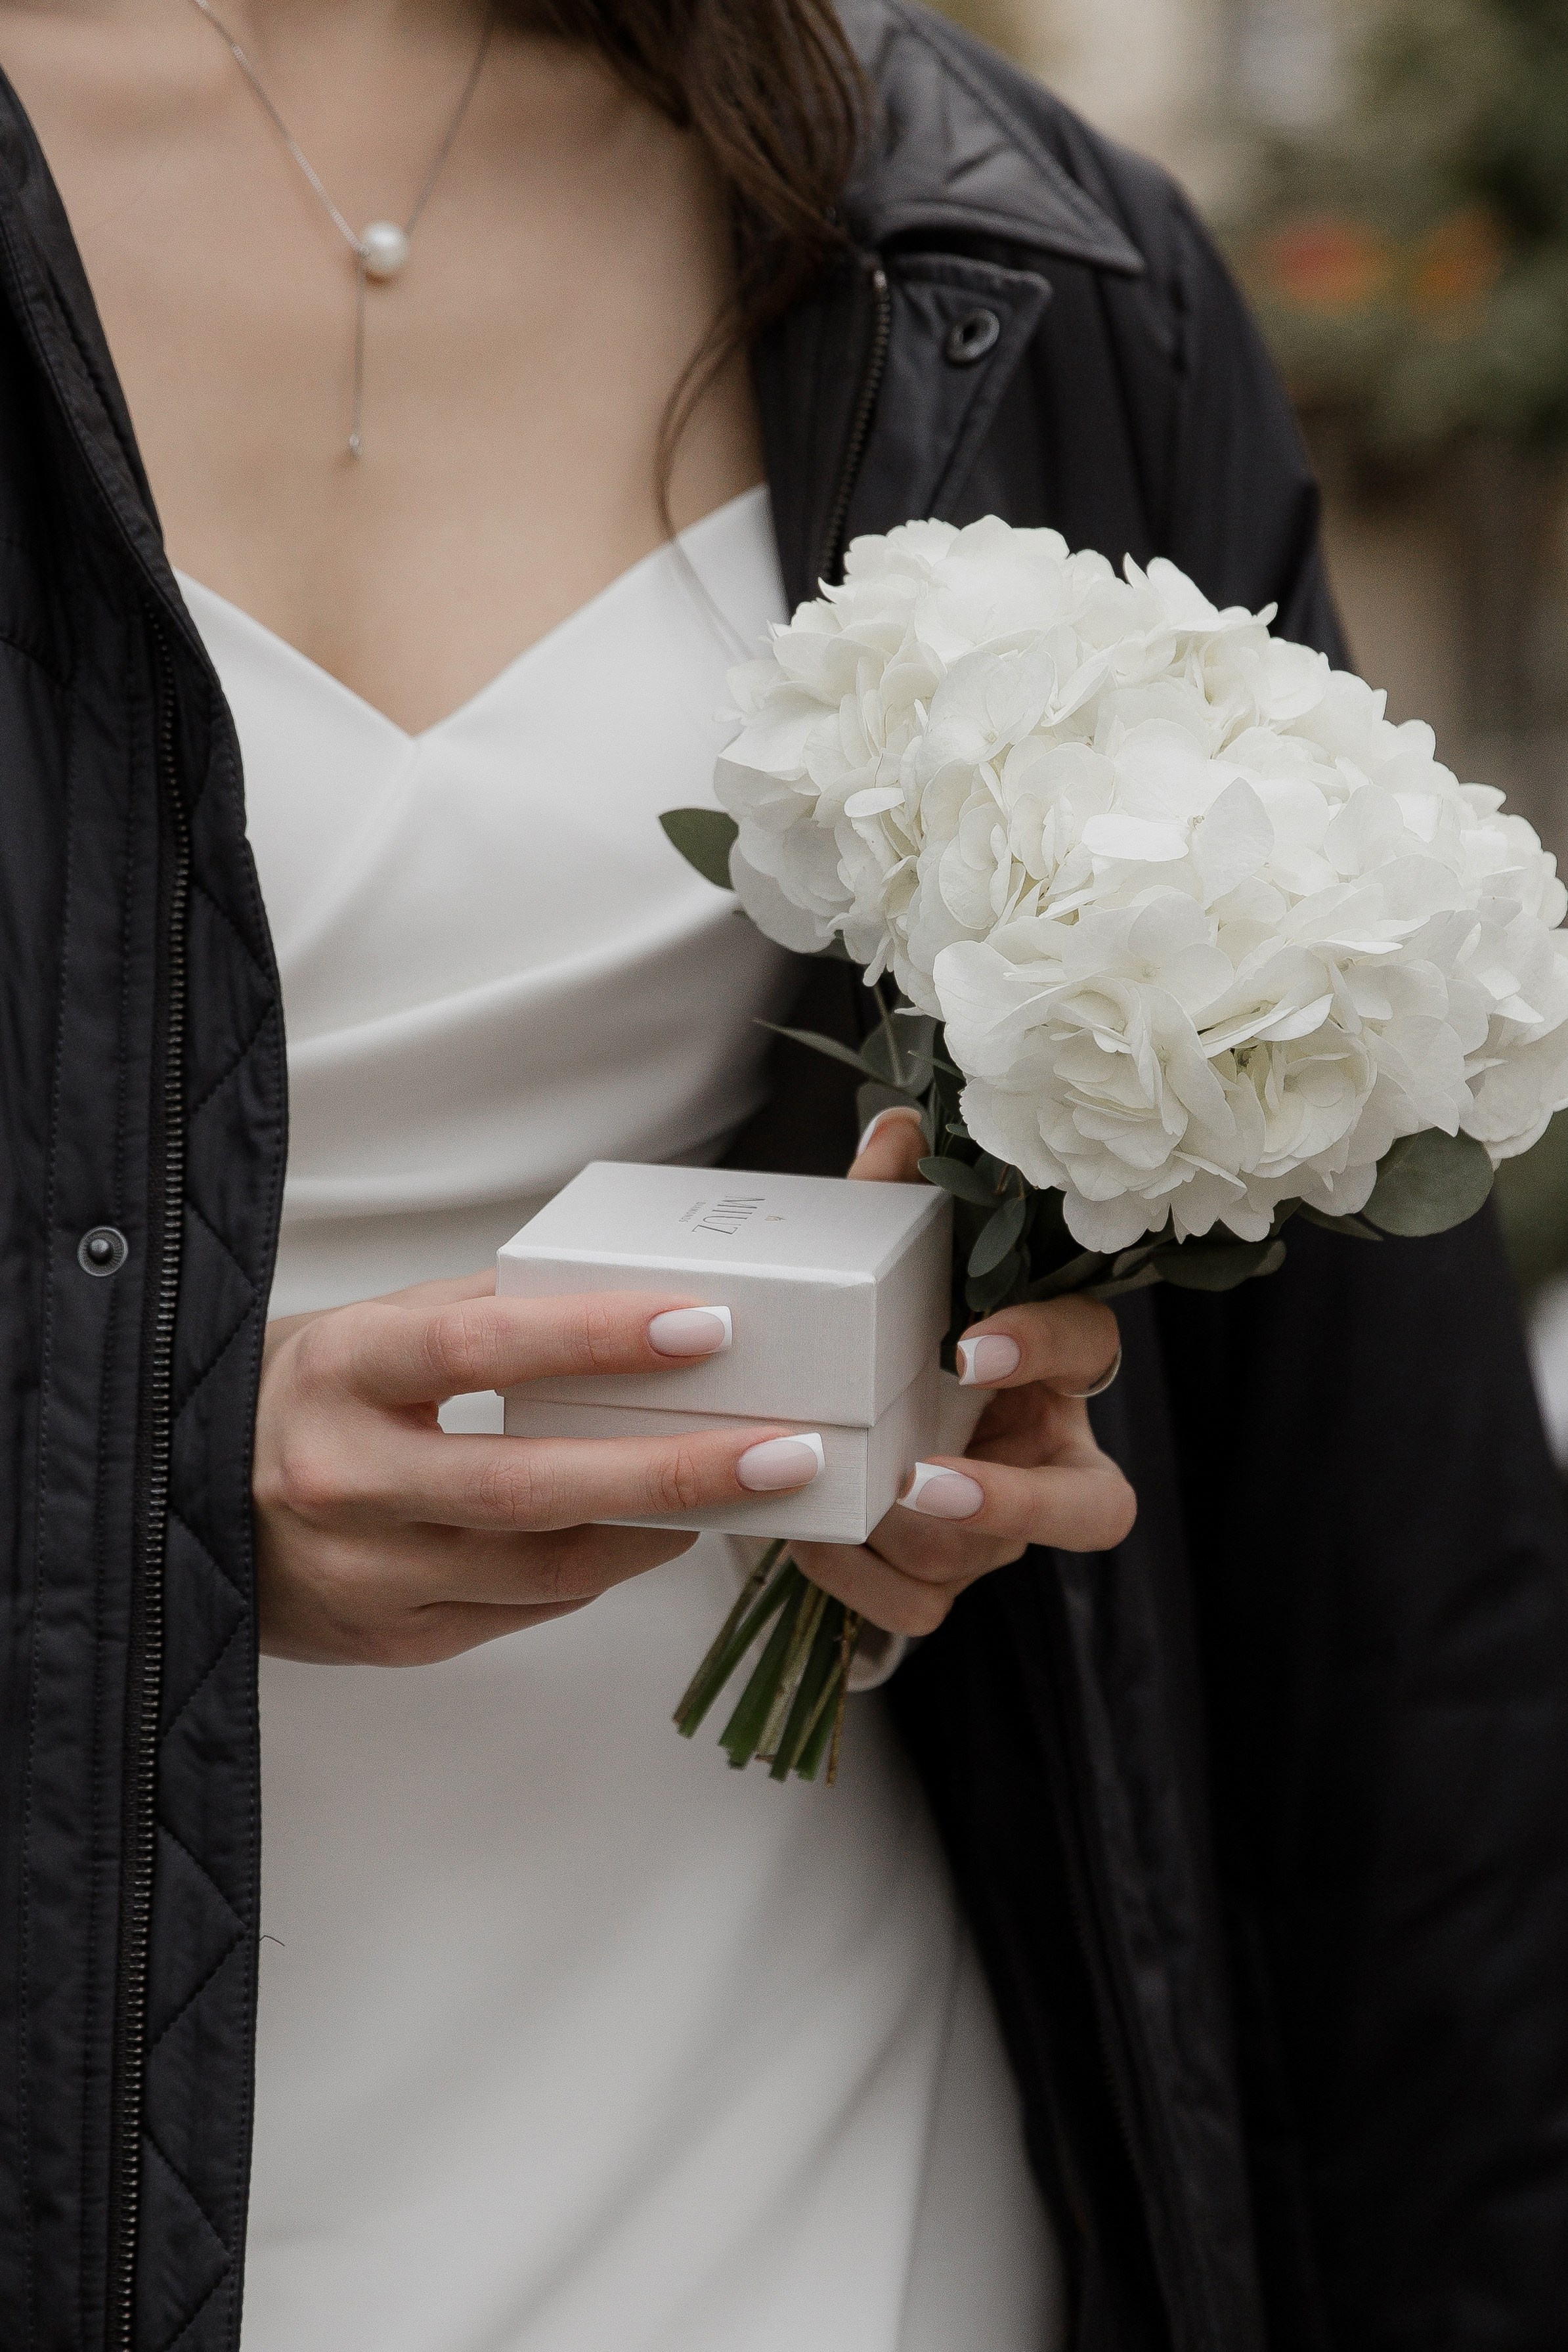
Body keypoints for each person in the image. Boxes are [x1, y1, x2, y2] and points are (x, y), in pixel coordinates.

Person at [0, 3, 1563, 2349]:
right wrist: (116, 1504)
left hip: (828, 2152)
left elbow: (1393, 1606)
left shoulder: (1002, 247)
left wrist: (1011, 1375)